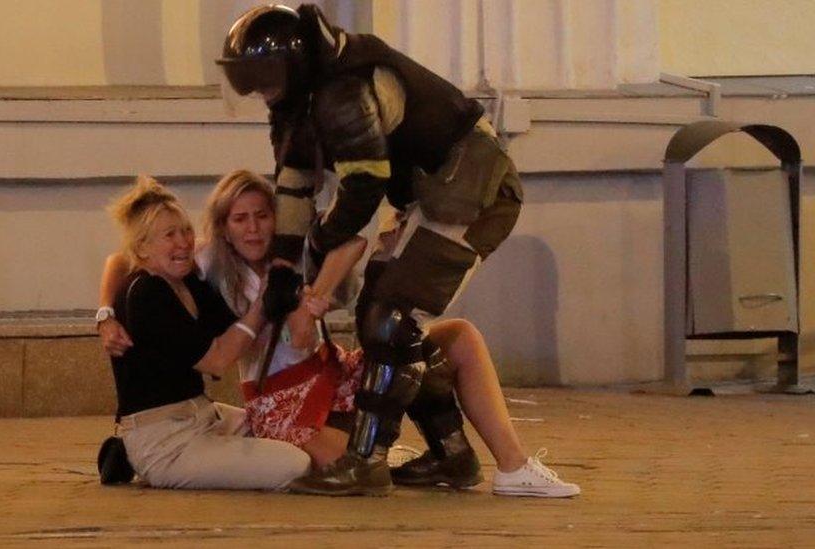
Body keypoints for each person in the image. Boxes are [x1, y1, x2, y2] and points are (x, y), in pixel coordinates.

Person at [100, 170, 579, 497]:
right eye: (240, 218)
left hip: (329, 369)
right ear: (224, 227)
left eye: (262, 215)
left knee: (453, 338)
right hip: (280, 397)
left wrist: (314, 299)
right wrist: (105, 313)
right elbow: (121, 259)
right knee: (343, 470)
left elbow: (352, 241)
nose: (252, 228)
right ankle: (422, 454)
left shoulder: (292, 251)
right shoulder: (208, 261)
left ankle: (511, 467)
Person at [216, 4, 528, 495]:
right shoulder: (302, 101)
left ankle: (366, 460)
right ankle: (452, 454)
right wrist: (282, 269)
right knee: (381, 325)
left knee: (391, 319)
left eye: (265, 77)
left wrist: (320, 243)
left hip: (471, 190)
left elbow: (364, 184)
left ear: (293, 66)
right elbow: (293, 188)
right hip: (432, 194)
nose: (260, 91)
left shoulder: (343, 89)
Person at [102, 175, 310, 490]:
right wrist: (262, 306)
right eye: (169, 235)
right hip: (167, 441)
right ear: (142, 246)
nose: (183, 242)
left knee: (295, 434)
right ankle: (139, 458)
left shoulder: (188, 280)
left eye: (186, 231)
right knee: (296, 465)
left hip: (205, 415)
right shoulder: (146, 293)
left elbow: (229, 326)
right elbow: (216, 360)